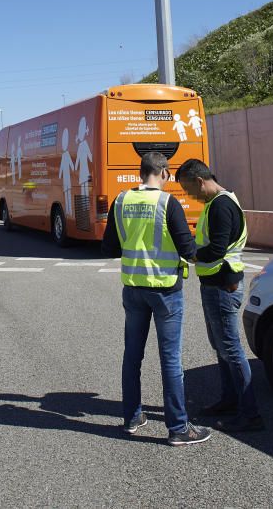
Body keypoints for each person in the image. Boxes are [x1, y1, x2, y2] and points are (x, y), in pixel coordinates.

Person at [101, 152, 211, 446]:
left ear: (141, 172)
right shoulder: (167, 203)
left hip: (133, 288)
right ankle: (177, 428)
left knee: (132, 356)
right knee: (170, 359)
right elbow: (188, 250)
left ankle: (132, 417)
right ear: (164, 172)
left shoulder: (121, 201)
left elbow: (109, 246)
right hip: (165, 290)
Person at [175, 158, 263, 432]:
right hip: (216, 285)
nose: (189, 195)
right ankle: (229, 400)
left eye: (189, 189)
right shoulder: (218, 203)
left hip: (223, 286)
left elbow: (216, 250)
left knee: (231, 349)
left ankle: (250, 414)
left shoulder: (221, 206)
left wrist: (189, 253)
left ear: (200, 181)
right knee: (222, 346)